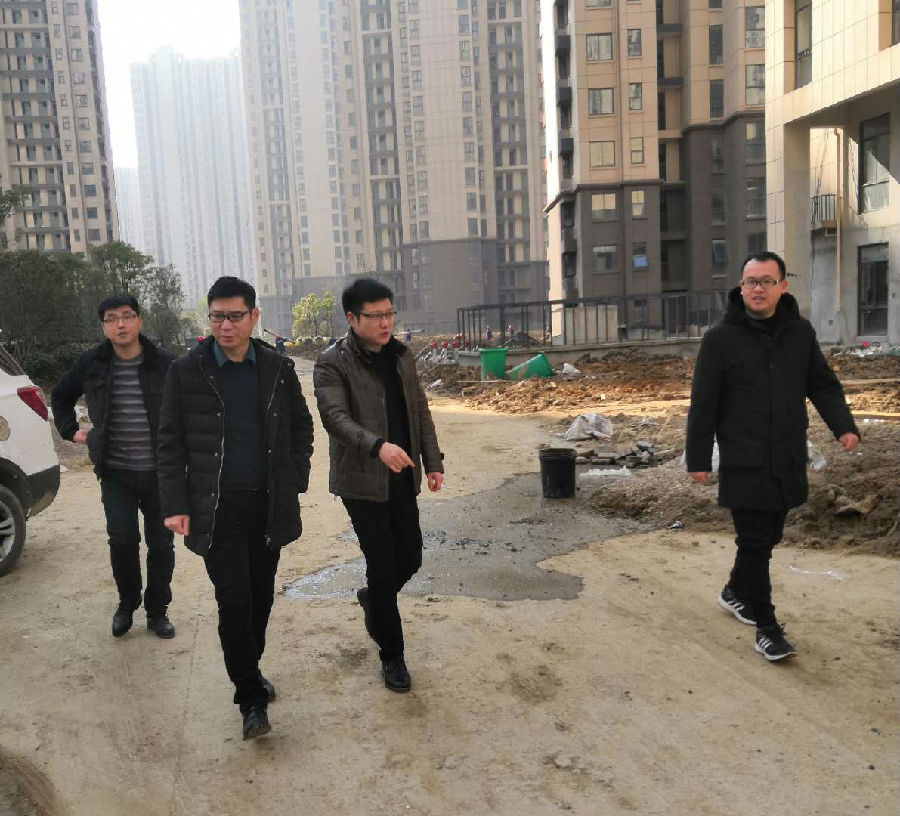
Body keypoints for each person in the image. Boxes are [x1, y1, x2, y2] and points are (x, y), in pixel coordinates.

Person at [157, 276, 313, 740]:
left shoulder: (277, 368)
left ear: (254, 317)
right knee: (235, 600)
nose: (226, 326)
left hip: (267, 505)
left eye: (235, 316)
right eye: (217, 317)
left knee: (260, 598)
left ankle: (250, 667)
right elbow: (170, 443)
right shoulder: (187, 371)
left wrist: (294, 479)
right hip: (216, 508)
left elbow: (302, 428)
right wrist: (175, 504)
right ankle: (250, 699)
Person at [685, 251, 859, 662]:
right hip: (743, 458)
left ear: (783, 286)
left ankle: (734, 590)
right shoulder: (720, 339)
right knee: (756, 541)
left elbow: (822, 385)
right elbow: (703, 403)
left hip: (786, 454)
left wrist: (844, 426)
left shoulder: (799, 334)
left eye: (766, 281)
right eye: (751, 282)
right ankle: (767, 628)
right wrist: (697, 459)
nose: (758, 289)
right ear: (741, 287)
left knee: (768, 537)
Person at [313, 278, 444, 693]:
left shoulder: (401, 356)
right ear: (352, 319)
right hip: (362, 481)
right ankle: (392, 655)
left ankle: (373, 599)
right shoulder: (332, 363)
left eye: (389, 314)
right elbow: (335, 418)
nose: (386, 323)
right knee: (383, 564)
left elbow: (419, 410)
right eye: (375, 316)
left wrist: (433, 461)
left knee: (411, 557)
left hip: (402, 474)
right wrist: (377, 447)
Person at [51, 294, 176, 639]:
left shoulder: (165, 362)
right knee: (121, 539)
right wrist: (72, 432)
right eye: (111, 318)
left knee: (161, 544)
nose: (120, 324)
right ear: (103, 326)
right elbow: (60, 395)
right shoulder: (91, 363)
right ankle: (127, 603)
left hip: (160, 474)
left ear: (139, 320)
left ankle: (157, 611)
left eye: (127, 316)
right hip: (116, 472)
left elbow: (189, 405)